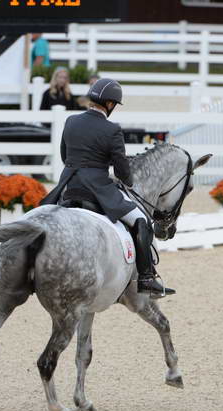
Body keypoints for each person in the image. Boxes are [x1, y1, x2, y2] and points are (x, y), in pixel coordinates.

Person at [40, 78, 174, 297]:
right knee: (141, 221)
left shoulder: (71, 121)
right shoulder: (112, 129)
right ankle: (147, 278)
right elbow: (122, 172)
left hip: (69, 187)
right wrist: (127, 181)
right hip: (97, 190)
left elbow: (65, 156)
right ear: (110, 104)